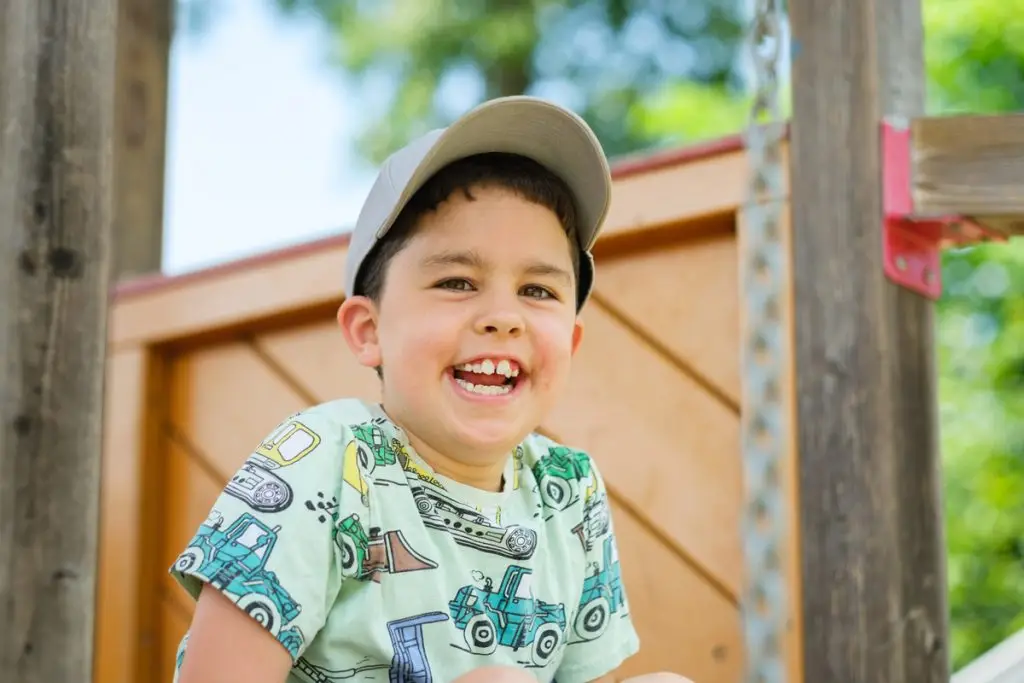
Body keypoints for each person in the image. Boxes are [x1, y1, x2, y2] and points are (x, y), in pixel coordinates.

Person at [170, 96, 693, 683]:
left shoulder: (568, 491)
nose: (503, 316)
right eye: (457, 281)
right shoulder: (327, 459)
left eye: (538, 290)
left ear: (569, 344)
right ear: (369, 332)